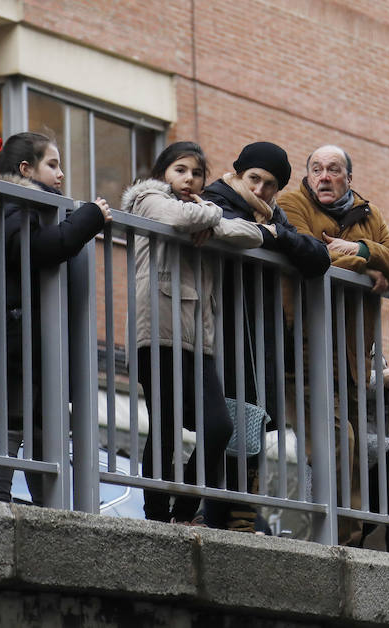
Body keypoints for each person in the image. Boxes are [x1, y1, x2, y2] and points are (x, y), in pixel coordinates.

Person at [280, 144, 389, 550]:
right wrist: (368, 266)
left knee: (352, 447)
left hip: (352, 353)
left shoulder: (369, 215)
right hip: (301, 341)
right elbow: (308, 255)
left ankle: (348, 542)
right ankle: (335, 543)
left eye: (334, 170)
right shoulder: (291, 201)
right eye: (316, 169)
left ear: (349, 179)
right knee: (337, 441)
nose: (323, 176)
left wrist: (359, 249)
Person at [121, 141, 262, 525]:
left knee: (219, 427)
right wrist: (212, 215)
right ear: (163, 172)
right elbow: (176, 219)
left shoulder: (199, 211)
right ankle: (156, 516)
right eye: (180, 170)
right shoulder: (148, 196)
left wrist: (207, 219)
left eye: (197, 173)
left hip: (200, 338)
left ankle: (183, 510)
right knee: (164, 428)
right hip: (159, 332)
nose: (188, 179)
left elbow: (254, 234)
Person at [201, 141, 330, 532]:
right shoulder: (213, 199)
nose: (259, 190)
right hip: (219, 325)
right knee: (219, 422)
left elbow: (318, 258)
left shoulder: (276, 215)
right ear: (238, 173)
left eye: (269, 184)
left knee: (251, 421)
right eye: (254, 178)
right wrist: (271, 234)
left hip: (259, 335)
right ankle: (206, 509)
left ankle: (241, 512)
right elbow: (230, 230)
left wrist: (279, 234)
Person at [0, 132, 111, 505]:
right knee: (16, 419)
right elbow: (40, 250)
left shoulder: (34, 207)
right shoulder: (16, 205)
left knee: (42, 426)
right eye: (52, 164)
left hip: (32, 334)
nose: (61, 174)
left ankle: (46, 508)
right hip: (16, 332)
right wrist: (89, 217)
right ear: (26, 169)